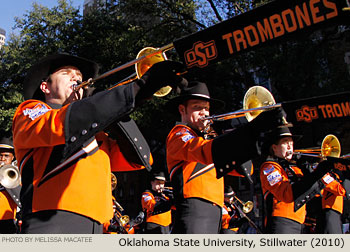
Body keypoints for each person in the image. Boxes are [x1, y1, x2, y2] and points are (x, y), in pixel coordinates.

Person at [12, 53, 187, 234]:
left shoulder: (97, 134)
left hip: (99, 224)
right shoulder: (31, 111)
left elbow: (140, 159)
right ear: (45, 87)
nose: (76, 78)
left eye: (79, 76)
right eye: (66, 73)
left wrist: (130, 101)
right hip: (52, 219)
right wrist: (135, 89)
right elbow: (64, 124)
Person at [165, 81, 286, 233]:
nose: (205, 113)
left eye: (207, 109)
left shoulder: (208, 139)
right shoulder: (178, 134)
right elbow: (204, 151)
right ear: (182, 110)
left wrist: (244, 136)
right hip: (194, 207)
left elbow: (245, 170)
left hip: (215, 207)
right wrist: (248, 130)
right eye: (197, 107)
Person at [259, 126, 343, 233]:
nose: (290, 145)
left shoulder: (297, 168)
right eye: (285, 142)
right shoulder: (270, 167)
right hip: (281, 221)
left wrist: (313, 172)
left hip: (300, 223)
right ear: (274, 148)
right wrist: (315, 174)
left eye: (291, 142)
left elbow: (337, 190)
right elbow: (286, 194)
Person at [0, 137, 21, 233]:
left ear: (13, 157)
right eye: (0, 155)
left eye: (6, 156)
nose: (2, 159)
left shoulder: (16, 175)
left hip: (7, 221)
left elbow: (20, 197)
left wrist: (4, 176)